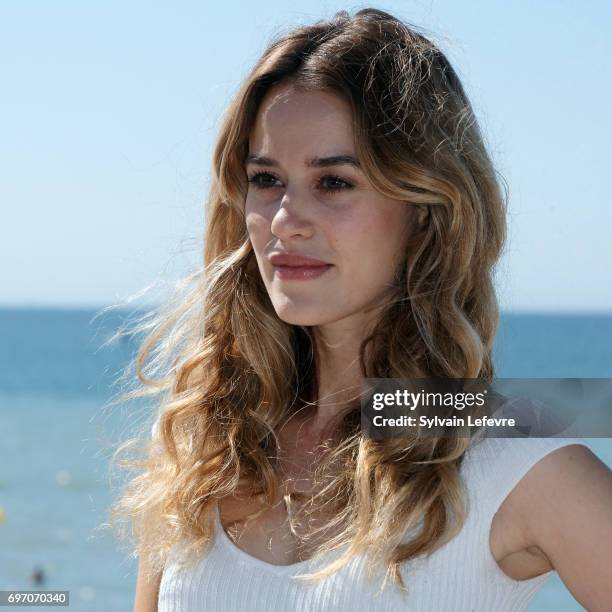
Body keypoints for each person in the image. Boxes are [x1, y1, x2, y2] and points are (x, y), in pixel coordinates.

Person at [110, 8, 612, 611]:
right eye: (267, 179)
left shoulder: (515, 457)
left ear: (426, 208)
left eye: (334, 183)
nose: (284, 221)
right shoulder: (206, 447)